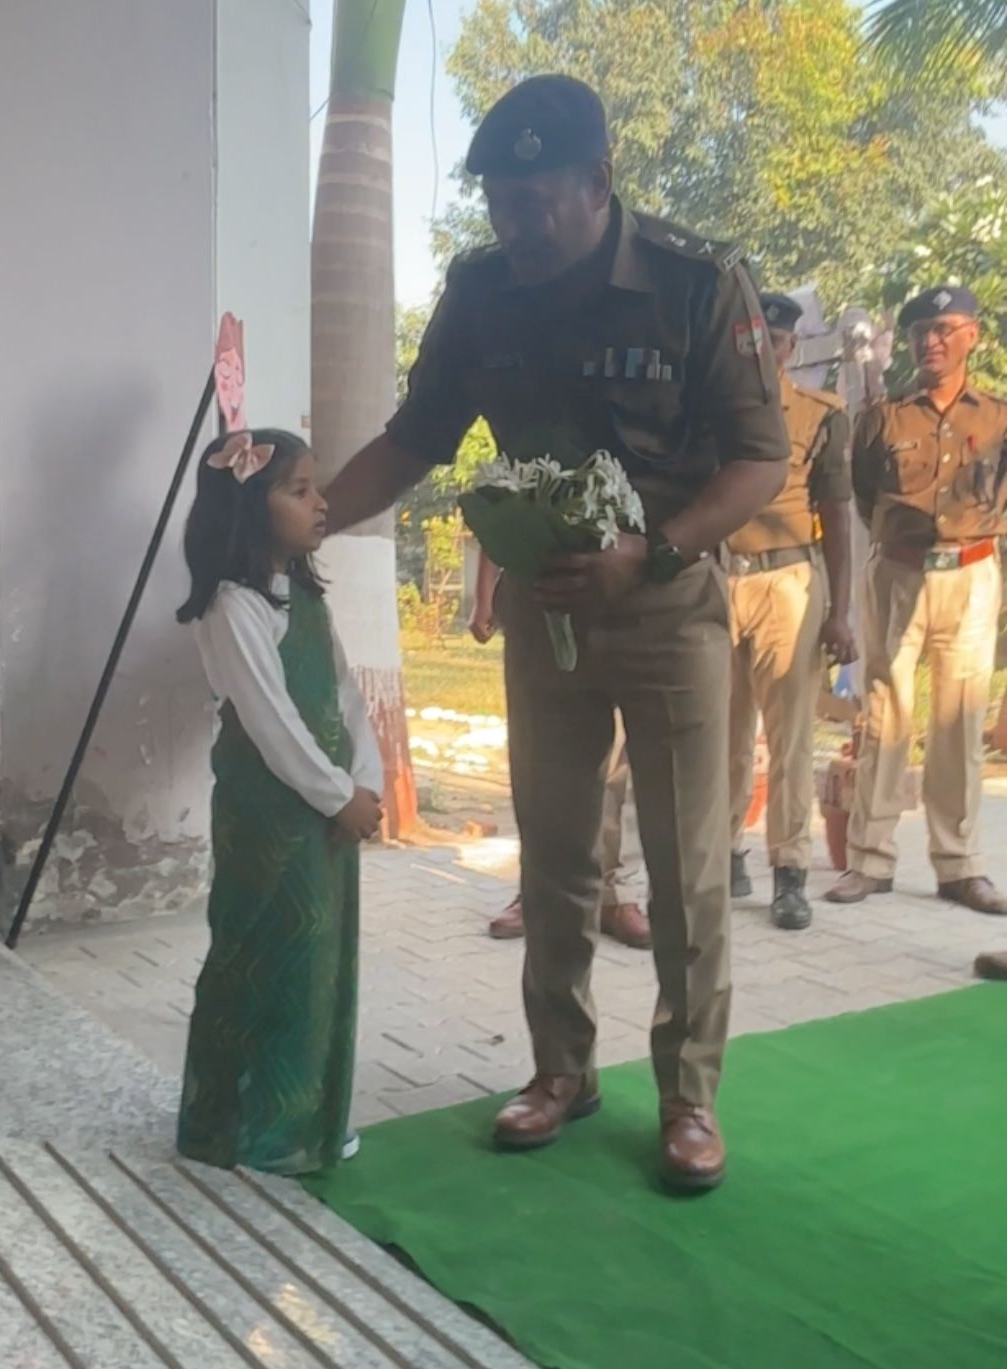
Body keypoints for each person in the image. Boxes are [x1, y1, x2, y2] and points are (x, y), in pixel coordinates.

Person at [322, 75, 789, 1190]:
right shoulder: (482, 291)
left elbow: (759, 459)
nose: (513, 225)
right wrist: (301, 521)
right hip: (548, 614)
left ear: (597, 182)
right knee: (557, 851)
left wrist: (654, 549)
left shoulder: (693, 281)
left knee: (684, 867)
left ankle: (687, 1097)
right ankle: (560, 1070)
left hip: (667, 603)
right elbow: (416, 438)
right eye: (498, 202)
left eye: (533, 202)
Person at [175, 427, 384, 1175]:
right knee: (262, 955)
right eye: (299, 491)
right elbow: (271, 725)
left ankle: (308, 1118)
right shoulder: (233, 608)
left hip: (325, 810)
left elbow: (344, 695)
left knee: (317, 960)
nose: (320, 503)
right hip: (270, 814)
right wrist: (337, 795)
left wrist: (367, 779)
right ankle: (247, 1126)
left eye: (315, 487)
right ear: (249, 507)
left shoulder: (303, 593)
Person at [827, 286, 1007, 914]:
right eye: (919, 331)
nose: (930, 341)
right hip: (897, 573)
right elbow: (863, 495)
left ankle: (959, 866)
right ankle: (869, 860)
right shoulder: (883, 416)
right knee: (885, 712)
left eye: (944, 328)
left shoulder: (998, 417)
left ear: (971, 336)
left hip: (972, 574)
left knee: (960, 719)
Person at [727, 293, 857, 930]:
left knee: (790, 737)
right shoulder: (708, 410)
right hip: (719, 577)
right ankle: (725, 853)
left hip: (789, 581)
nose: (760, 350)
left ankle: (790, 871)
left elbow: (837, 513)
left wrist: (840, 612)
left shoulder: (818, 414)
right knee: (719, 731)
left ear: (790, 347)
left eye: (773, 340)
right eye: (749, 338)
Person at [472, 556, 651, 949]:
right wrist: (484, 592)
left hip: (627, 591)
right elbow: (498, 516)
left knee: (621, 765)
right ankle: (537, 891)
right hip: (540, 595)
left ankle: (618, 894)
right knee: (540, 760)